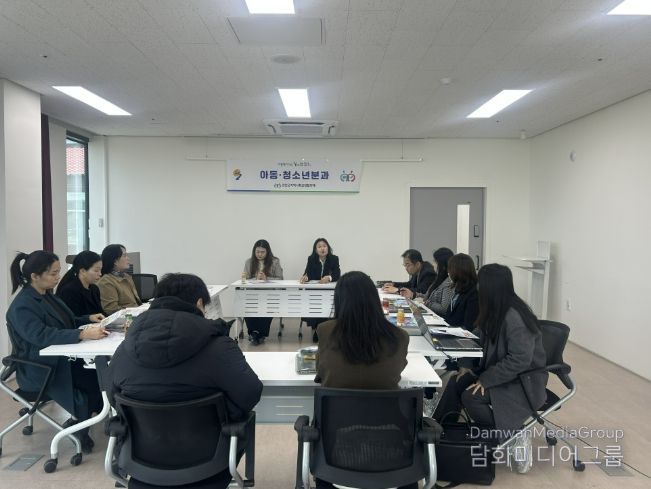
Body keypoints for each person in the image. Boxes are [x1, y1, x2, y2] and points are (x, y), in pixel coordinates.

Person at [434, 264, 548, 474]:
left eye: (481, 284)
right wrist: (466, 365)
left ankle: (513, 435)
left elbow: (519, 360)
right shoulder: (495, 310)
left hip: (523, 380)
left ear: (490, 287)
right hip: (501, 372)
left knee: (471, 397)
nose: (477, 288)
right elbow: (475, 340)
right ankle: (438, 435)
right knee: (457, 382)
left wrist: (485, 380)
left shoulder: (515, 317)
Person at [315, 271, 415, 489]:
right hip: (391, 441)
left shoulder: (325, 331)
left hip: (335, 446)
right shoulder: (399, 337)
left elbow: (321, 371)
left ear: (339, 300)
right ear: (374, 299)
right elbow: (397, 370)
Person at [6, 251, 107, 452]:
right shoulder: (22, 306)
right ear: (35, 276)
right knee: (89, 379)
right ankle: (80, 426)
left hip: (58, 359)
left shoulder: (46, 296)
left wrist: (87, 319)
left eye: (58, 272)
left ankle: (84, 421)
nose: (58, 277)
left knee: (98, 375)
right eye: (53, 273)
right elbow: (41, 335)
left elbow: (65, 322)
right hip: (41, 368)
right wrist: (82, 334)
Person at [242, 239, 284, 344]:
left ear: (267, 252)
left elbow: (280, 278)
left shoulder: (275, 261)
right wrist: (254, 279)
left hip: (269, 294)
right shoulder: (249, 262)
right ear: (254, 251)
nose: (259, 254)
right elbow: (245, 279)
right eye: (257, 252)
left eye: (262, 252)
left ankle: (258, 334)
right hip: (253, 294)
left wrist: (267, 278)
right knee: (247, 306)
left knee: (267, 307)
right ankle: (255, 333)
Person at [299, 238, 341, 342]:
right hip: (314, 291)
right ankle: (316, 329)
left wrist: (329, 278)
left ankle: (324, 330)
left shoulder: (334, 259)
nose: (322, 248)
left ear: (328, 248)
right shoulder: (311, 259)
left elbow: (337, 274)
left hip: (328, 291)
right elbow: (308, 273)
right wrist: (306, 277)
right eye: (319, 246)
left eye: (324, 246)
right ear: (315, 250)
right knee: (313, 303)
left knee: (327, 305)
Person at [401, 247, 454, 315]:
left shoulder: (448, 283)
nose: (433, 264)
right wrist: (413, 295)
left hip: (437, 318)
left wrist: (426, 302)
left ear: (442, 265)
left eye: (435, 262)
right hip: (430, 313)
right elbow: (428, 296)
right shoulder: (438, 279)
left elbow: (444, 309)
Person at [56, 250, 106, 317]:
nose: (100, 274)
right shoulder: (69, 291)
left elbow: (100, 312)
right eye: (96, 270)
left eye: (100, 270)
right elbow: (72, 319)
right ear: (82, 271)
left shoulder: (94, 289)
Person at [96, 244, 141, 314]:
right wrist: (136, 311)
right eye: (124, 256)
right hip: (126, 318)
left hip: (136, 314)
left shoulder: (126, 276)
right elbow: (111, 310)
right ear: (115, 261)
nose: (128, 258)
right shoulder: (105, 282)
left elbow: (135, 302)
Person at [443, 253, 479, 330]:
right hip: (449, 330)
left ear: (458, 271)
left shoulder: (474, 293)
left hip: (460, 334)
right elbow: (449, 316)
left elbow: (469, 325)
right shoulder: (458, 288)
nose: (448, 272)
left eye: (450, 269)